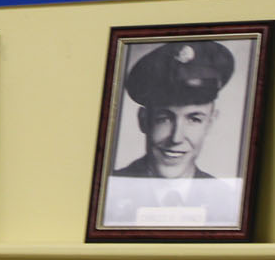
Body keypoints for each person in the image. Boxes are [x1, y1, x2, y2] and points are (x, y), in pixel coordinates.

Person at [102, 39, 241, 227]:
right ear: (143, 120)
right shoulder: (109, 192)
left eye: (194, 119)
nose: (176, 138)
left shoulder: (228, 201)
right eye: (164, 118)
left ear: (210, 122)